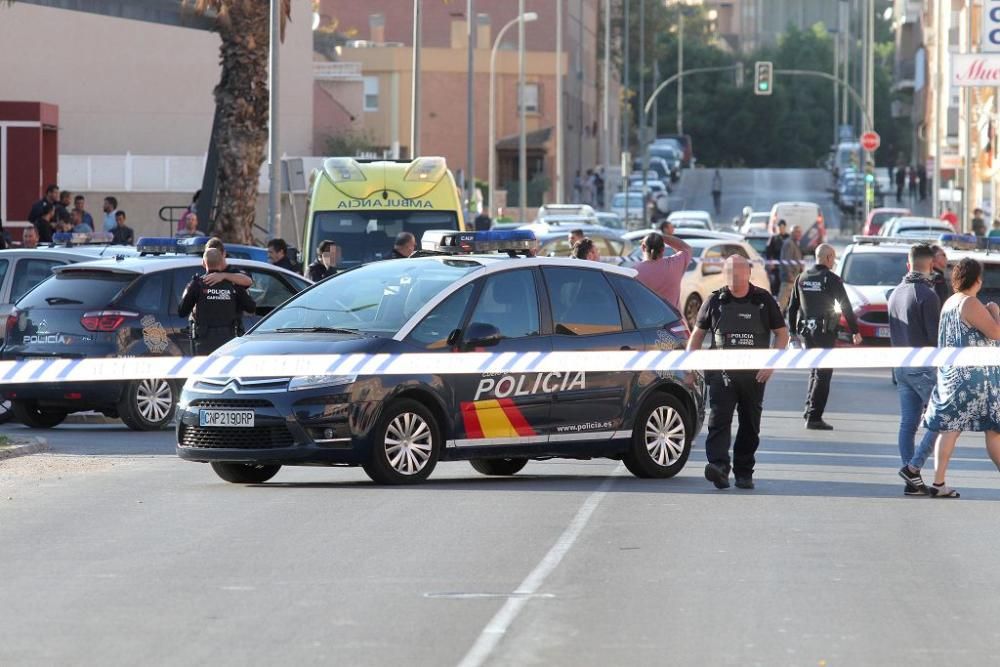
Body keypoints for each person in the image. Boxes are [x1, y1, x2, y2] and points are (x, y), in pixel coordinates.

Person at [687, 255, 790, 490]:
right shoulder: (715, 300)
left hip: (754, 376)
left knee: (750, 425)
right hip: (721, 375)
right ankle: (719, 467)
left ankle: (744, 472)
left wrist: (770, 364)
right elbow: (697, 336)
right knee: (718, 421)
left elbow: (782, 334)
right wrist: (689, 366)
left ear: (748, 273)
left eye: (738, 271)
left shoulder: (763, 300)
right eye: (730, 271)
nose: (734, 275)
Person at [921, 258, 1000, 498]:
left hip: (952, 375)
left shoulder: (950, 303)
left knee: (950, 429)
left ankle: (938, 482)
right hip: (976, 379)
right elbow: (996, 333)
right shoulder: (970, 303)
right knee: (994, 429)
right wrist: (996, 312)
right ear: (977, 279)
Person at [787, 244, 862, 430]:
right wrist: (855, 331)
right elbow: (845, 306)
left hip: (807, 332)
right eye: (833, 258)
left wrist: (792, 333)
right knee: (823, 374)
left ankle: (808, 410)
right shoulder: (831, 279)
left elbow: (791, 308)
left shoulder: (801, 278)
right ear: (828, 258)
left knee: (815, 371)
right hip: (824, 332)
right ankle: (814, 417)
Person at [890, 244, 942, 496]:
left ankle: (911, 482)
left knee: (908, 423)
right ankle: (913, 467)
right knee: (942, 418)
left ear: (908, 264)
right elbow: (935, 337)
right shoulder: (927, 295)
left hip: (900, 365)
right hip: (922, 367)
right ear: (930, 265)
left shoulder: (895, 292)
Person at [178, 248, 256, 356]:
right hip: (229, 342)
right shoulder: (234, 284)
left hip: (203, 343)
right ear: (222, 263)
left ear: (203, 263)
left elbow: (182, 311)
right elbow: (251, 307)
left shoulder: (197, 284)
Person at [635, 231, 693, 310]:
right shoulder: (674, 265)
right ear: (663, 249)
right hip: (674, 320)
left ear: (643, 247)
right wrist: (661, 236)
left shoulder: (634, 271)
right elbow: (686, 248)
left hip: (646, 320)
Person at [777, 225, 804, 312]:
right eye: (797, 232)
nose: (800, 234)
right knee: (782, 302)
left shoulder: (795, 243)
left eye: (800, 232)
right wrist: (789, 275)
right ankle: (774, 321)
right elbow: (786, 261)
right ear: (792, 233)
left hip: (794, 278)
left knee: (794, 302)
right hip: (789, 279)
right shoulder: (789, 243)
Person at [765, 220, 788, 295]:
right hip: (776, 265)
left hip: (787, 265)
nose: (781, 229)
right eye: (779, 227)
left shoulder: (789, 238)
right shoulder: (773, 238)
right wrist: (770, 263)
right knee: (776, 283)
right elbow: (768, 252)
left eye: (782, 227)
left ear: (785, 227)